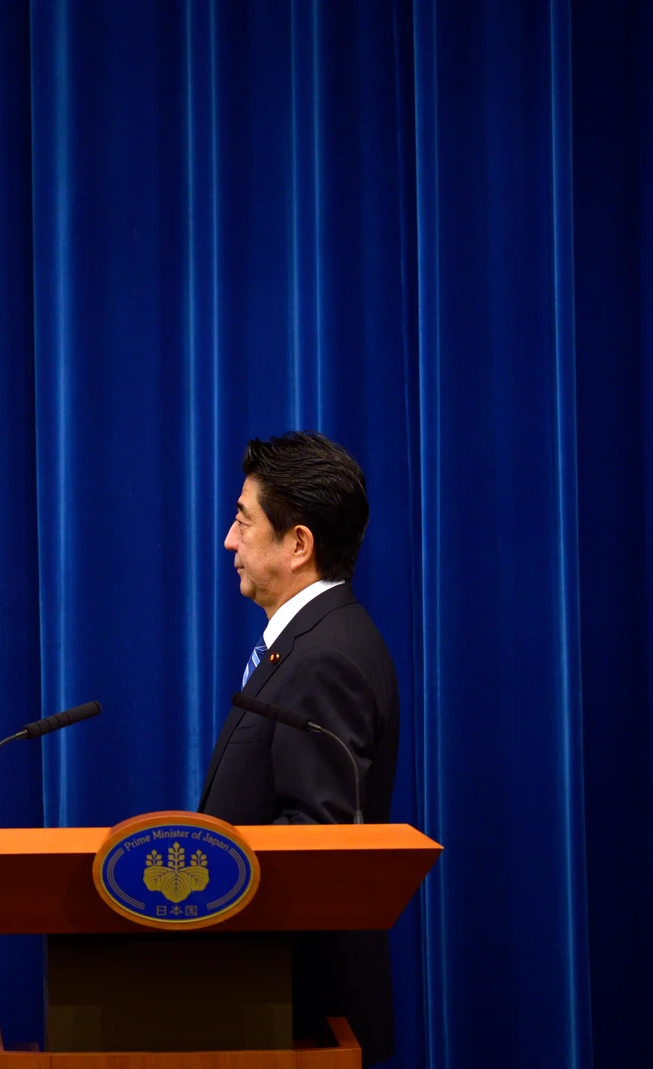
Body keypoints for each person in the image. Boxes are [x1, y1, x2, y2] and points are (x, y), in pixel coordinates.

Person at [198, 431, 399, 1066]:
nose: (229, 540)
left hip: (295, 1018)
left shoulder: (325, 656)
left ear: (299, 544)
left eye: (242, 519)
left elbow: (316, 839)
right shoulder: (315, 641)